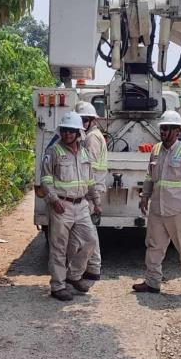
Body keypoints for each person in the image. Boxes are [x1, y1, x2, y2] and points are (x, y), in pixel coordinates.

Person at [133, 110, 181, 299]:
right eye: (162, 128)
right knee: (154, 246)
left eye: (167, 129)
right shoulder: (155, 150)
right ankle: (152, 282)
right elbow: (149, 176)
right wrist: (145, 196)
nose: (163, 132)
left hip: (178, 211)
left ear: (177, 131)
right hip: (157, 209)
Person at [39, 111, 101, 301]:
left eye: (71, 131)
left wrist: (96, 202)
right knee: (59, 247)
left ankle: (74, 276)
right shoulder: (53, 152)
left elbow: (90, 180)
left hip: (82, 205)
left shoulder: (84, 152)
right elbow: (45, 179)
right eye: (65, 131)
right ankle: (58, 286)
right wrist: (53, 200)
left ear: (78, 133)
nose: (67, 134)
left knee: (89, 241)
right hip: (61, 206)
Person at [73, 101, 107, 281]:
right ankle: (93, 267)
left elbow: (89, 167)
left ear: (91, 120)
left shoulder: (92, 137)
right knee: (89, 230)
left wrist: (88, 192)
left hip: (91, 188)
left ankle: (93, 267)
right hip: (92, 187)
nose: (81, 124)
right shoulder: (91, 135)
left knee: (88, 232)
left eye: (84, 120)